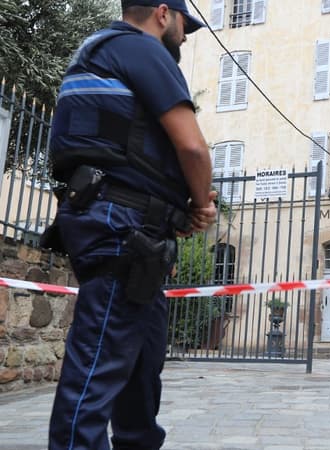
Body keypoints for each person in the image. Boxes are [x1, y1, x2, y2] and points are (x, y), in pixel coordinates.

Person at [44, 1, 216, 448]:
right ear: (163, 13)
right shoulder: (141, 49)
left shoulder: (99, 51)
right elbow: (193, 148)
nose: (184, 34)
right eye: (183, 24)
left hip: (125, 224)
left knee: (142, 365)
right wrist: (202, 206)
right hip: (123, 229)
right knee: (97, 367)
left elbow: (127, 149)